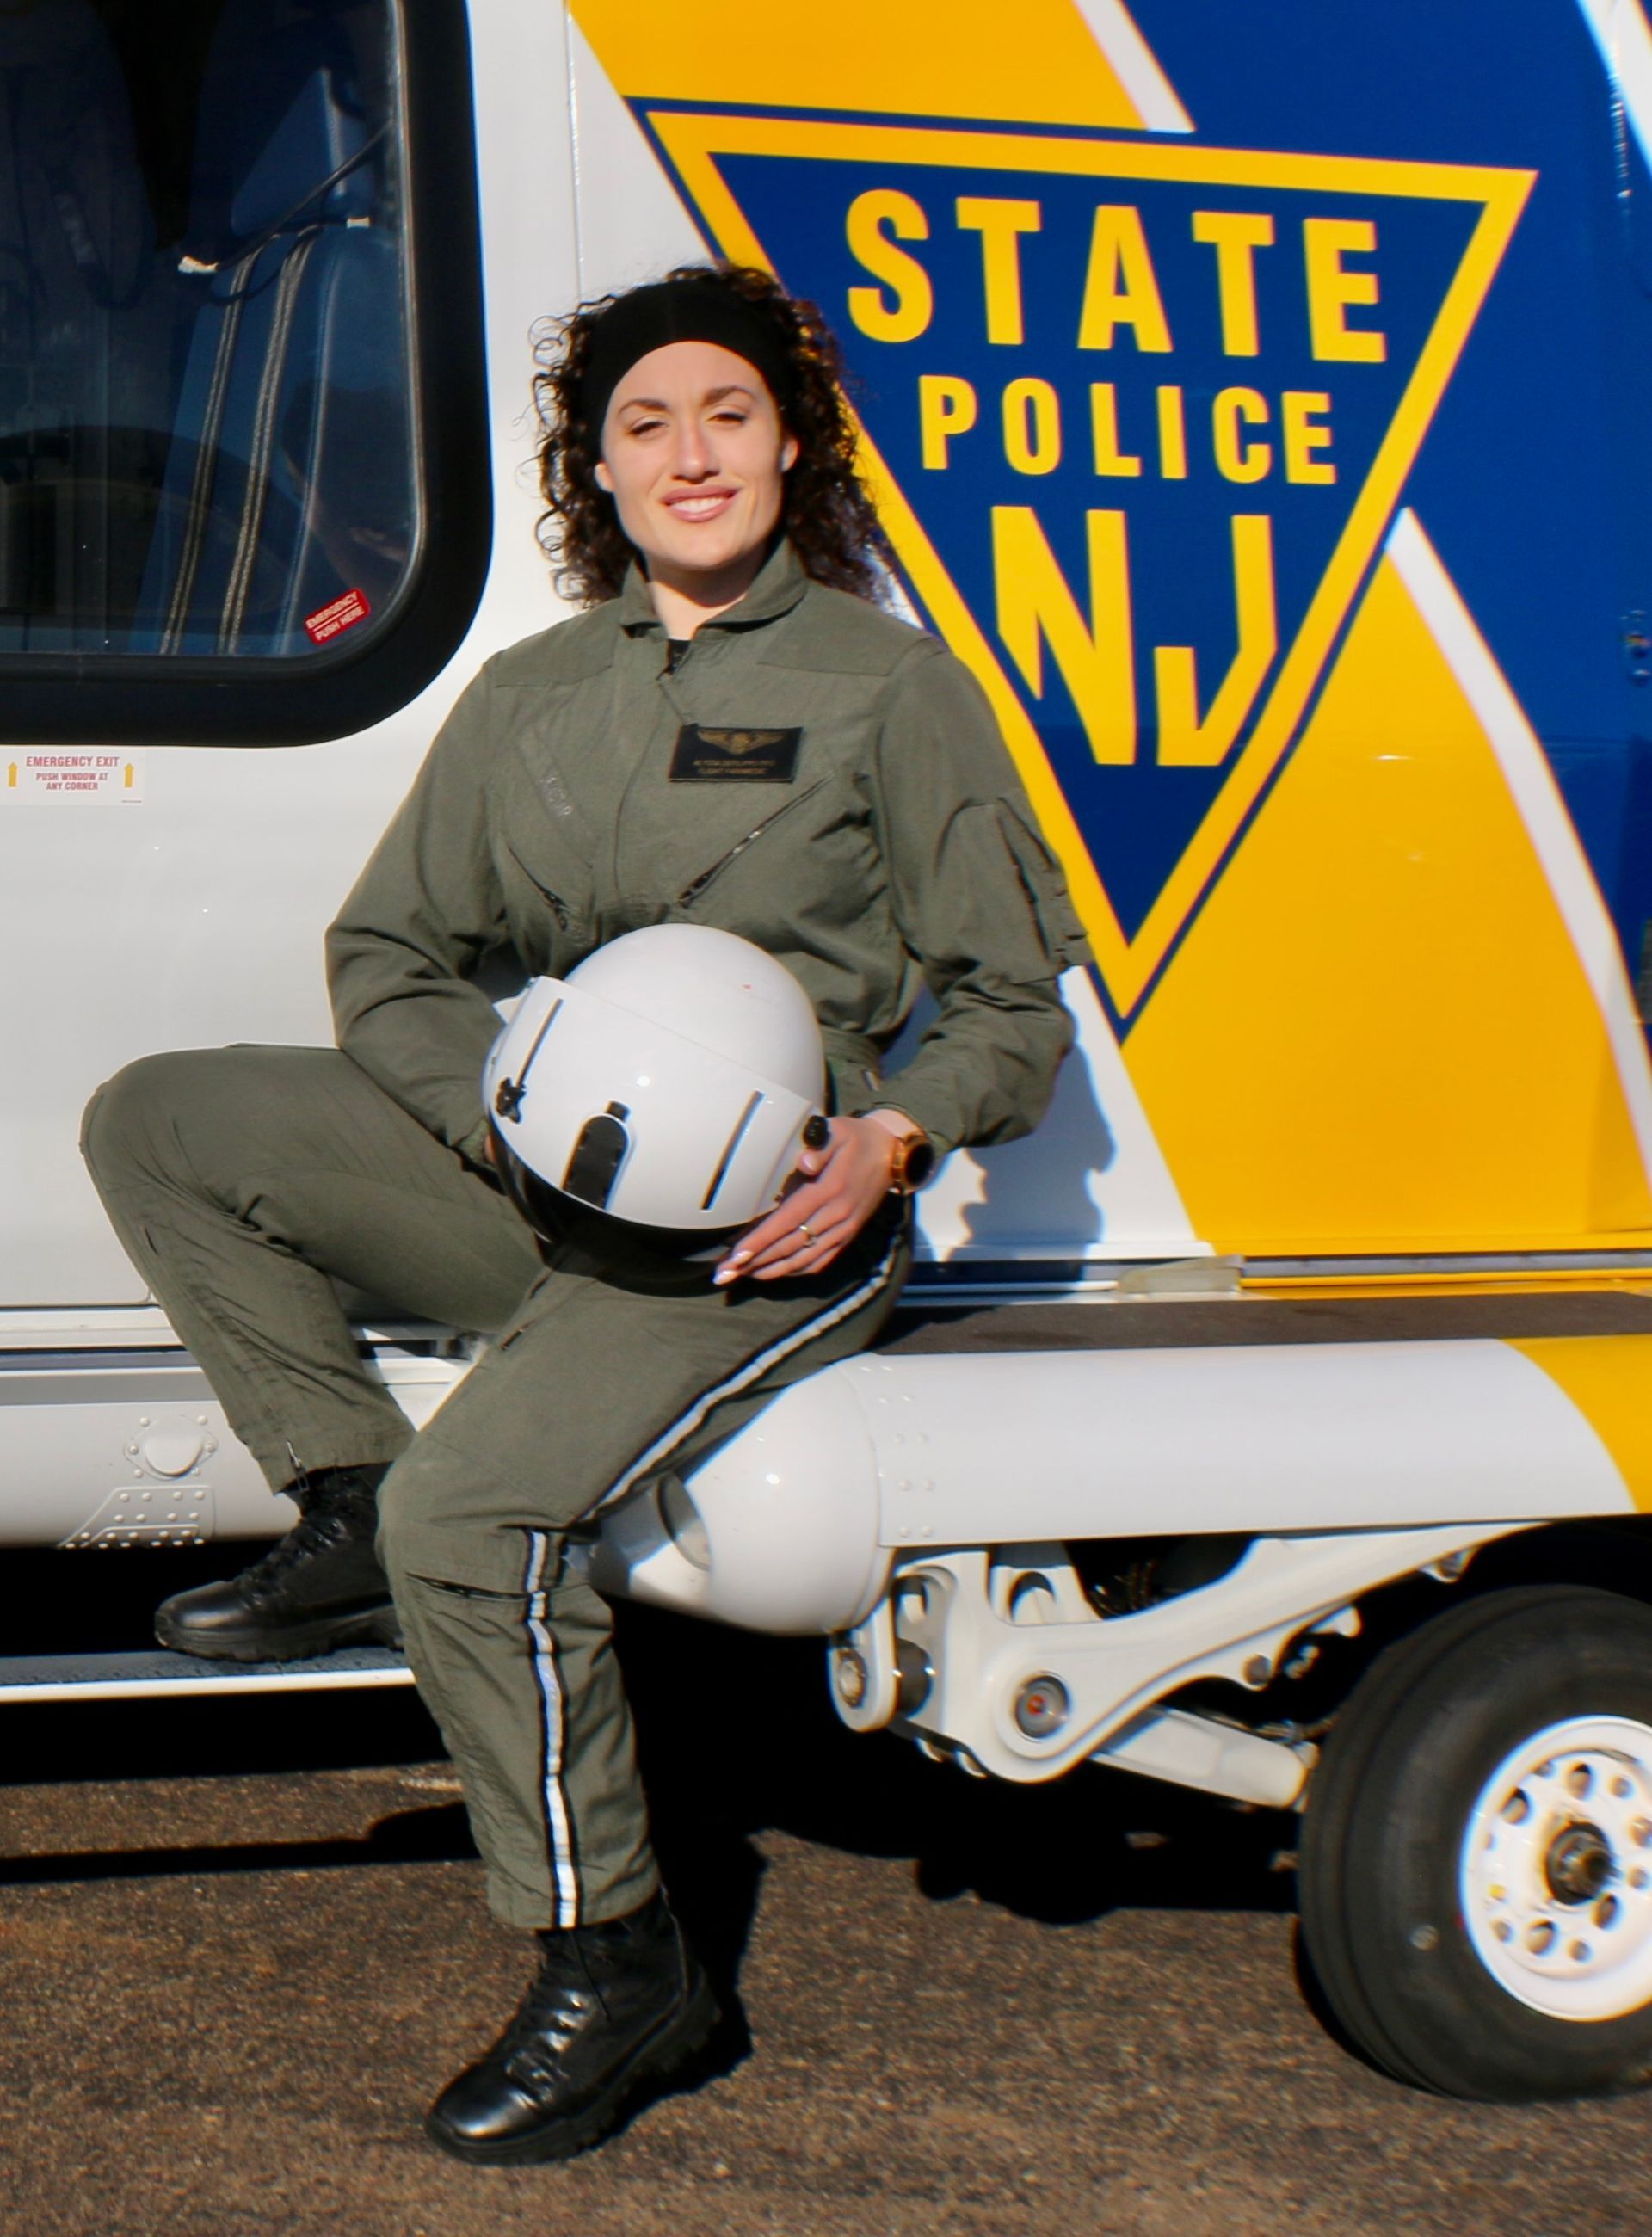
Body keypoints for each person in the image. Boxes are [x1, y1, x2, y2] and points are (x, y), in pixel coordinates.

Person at [80, 262, 1090, 2166]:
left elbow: (1010, 1000)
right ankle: (348, 1496)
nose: (688, 452)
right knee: (164, 1118)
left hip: (757, 1237)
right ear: (598, 473)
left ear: (790, 443)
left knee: (493, 1523)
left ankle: (617, 1958)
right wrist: (496, 1118)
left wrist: (887, 1141)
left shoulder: (892, 686)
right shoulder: (527, 699)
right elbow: (388, 955)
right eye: (645, 424)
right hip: (550, 1198)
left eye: (724, 412)